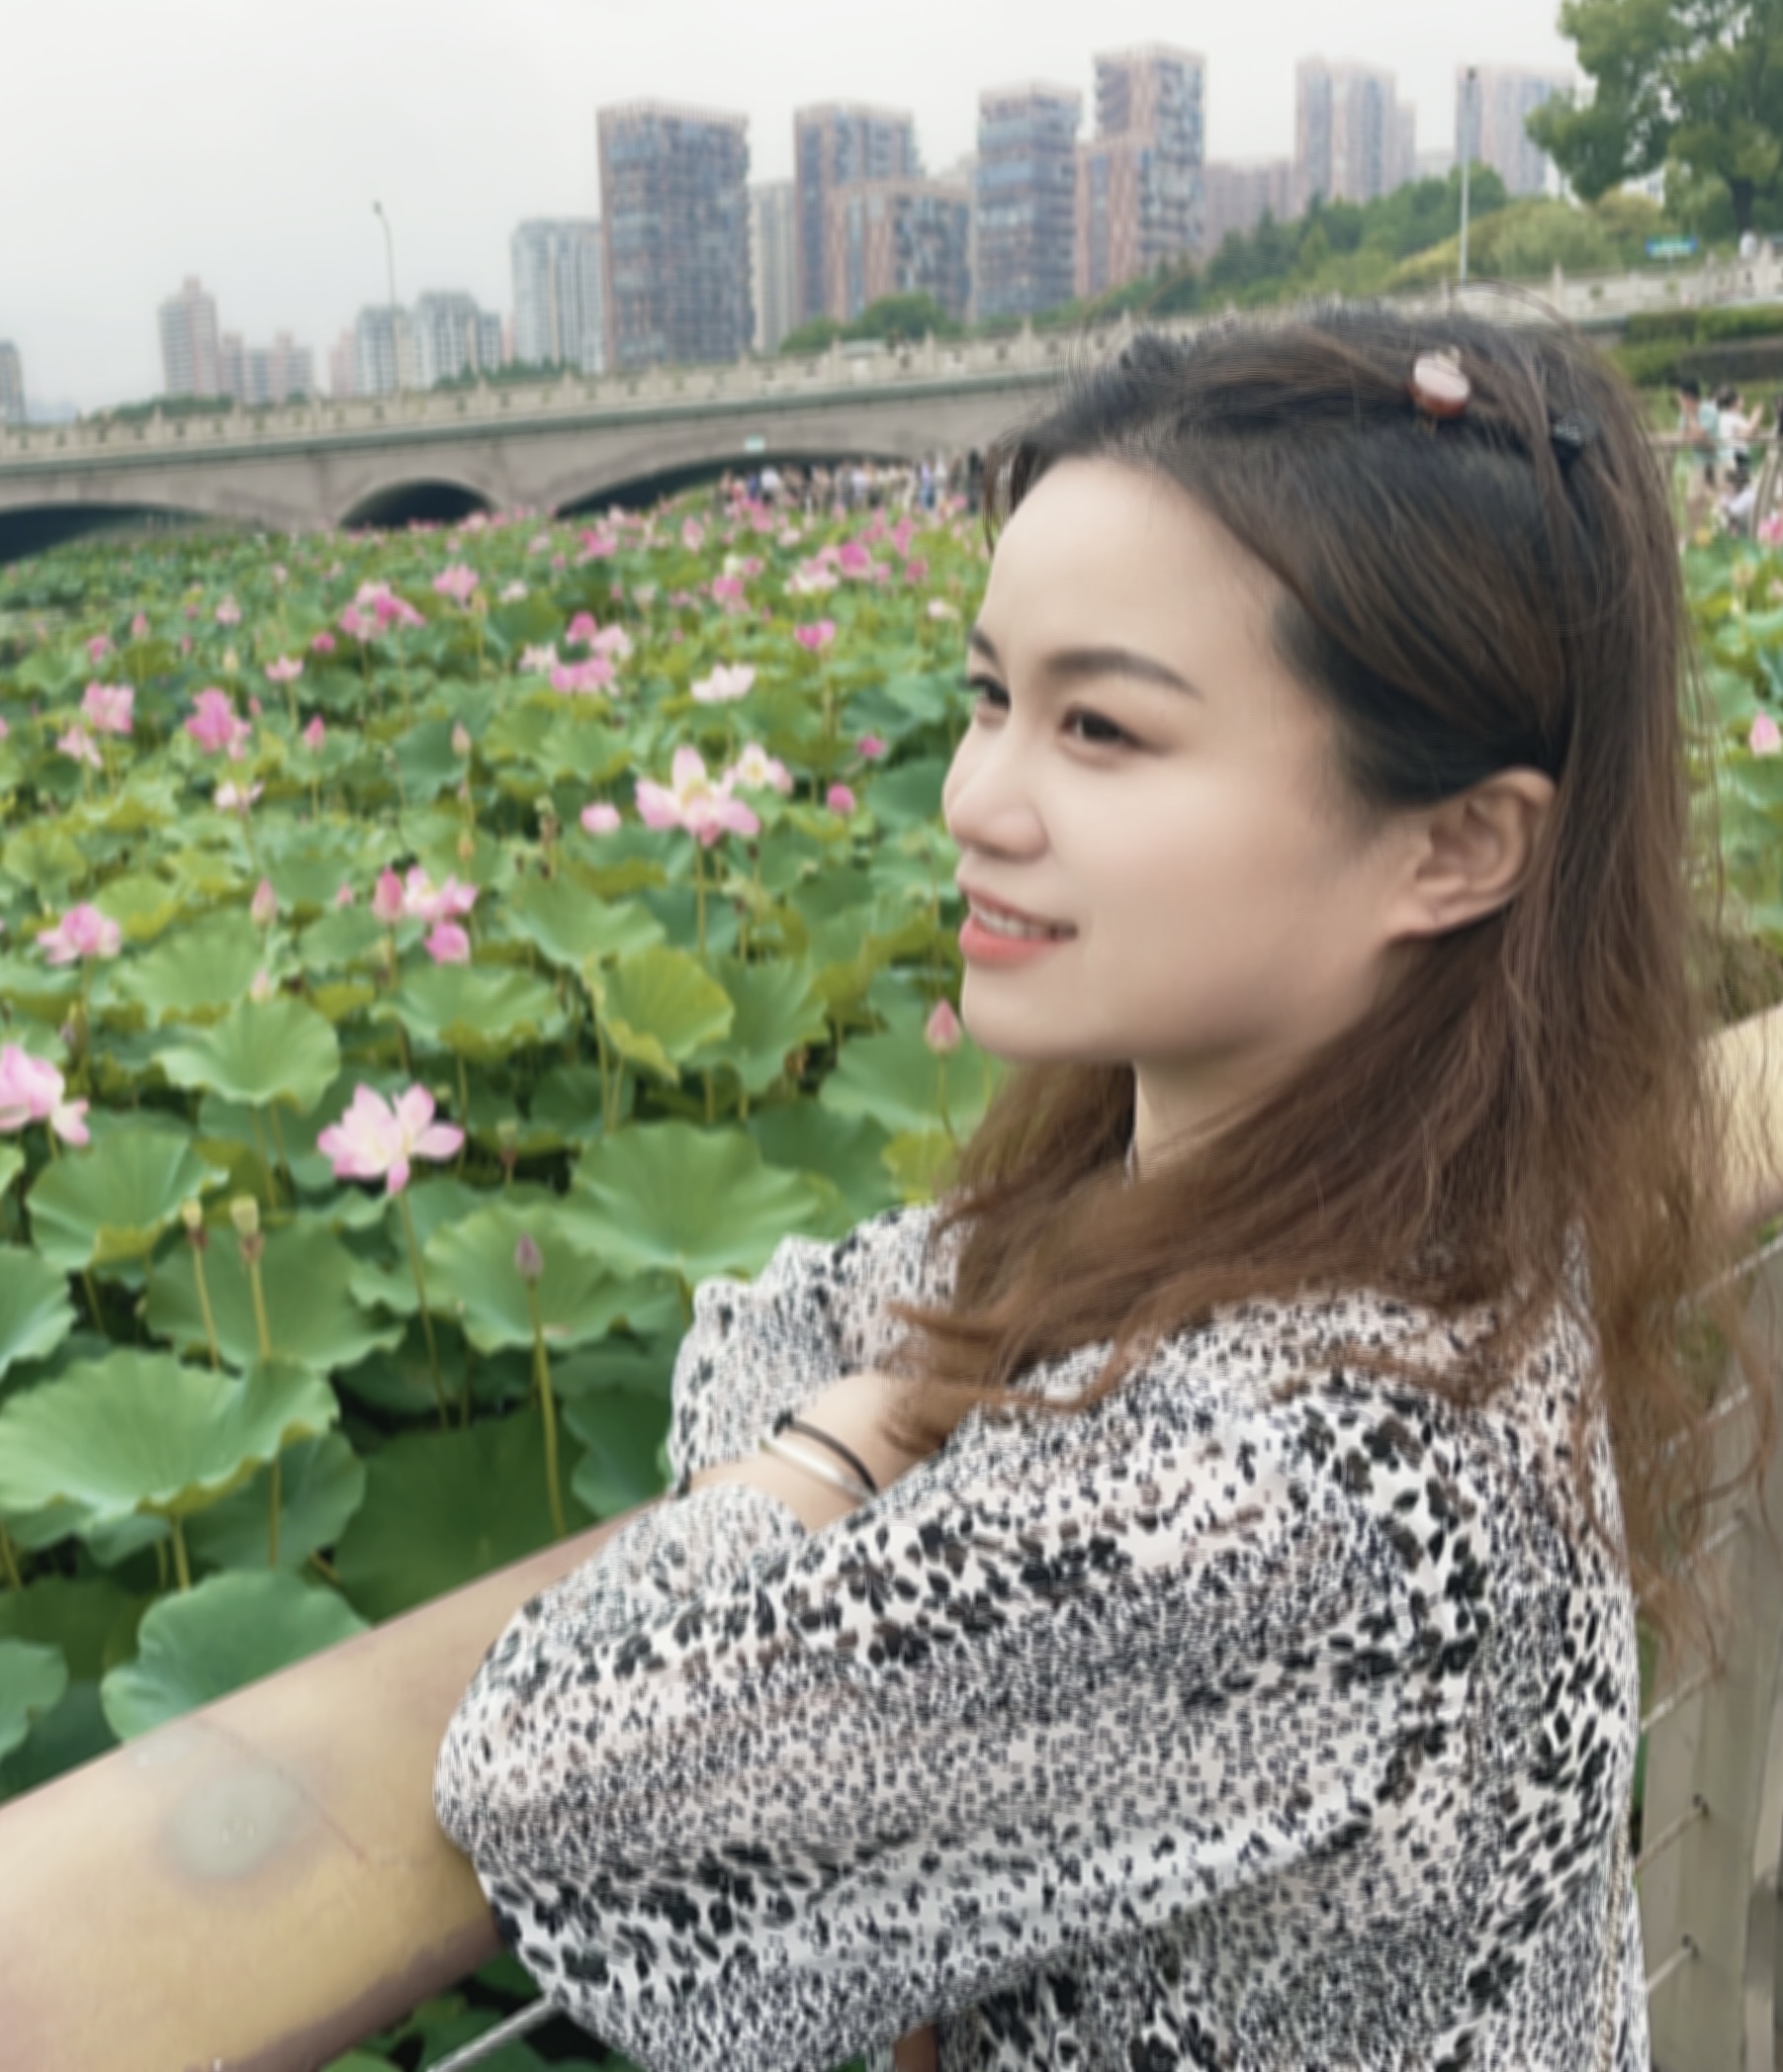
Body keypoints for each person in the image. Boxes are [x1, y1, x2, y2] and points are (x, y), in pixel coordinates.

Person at [435, 308, 1770, 2071]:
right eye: (991, 697)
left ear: (1456, 845)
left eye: (1104, 730)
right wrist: (898, 1434)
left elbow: (549, 1786)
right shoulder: (1446, 1227)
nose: (974, 799)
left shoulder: (1299, 1505)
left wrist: (841, 1453)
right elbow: (785, 1310)